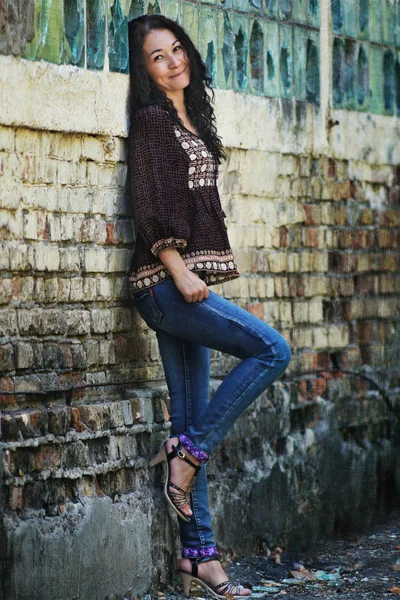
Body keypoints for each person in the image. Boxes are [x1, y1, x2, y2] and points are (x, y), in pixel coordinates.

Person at [127, 14, 291, 599]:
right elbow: (148, 204)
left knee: (190, 417)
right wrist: (179, 270)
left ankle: (201, 560)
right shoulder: (151, 121)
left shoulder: (190, 115)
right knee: (274, 349)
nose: (174, 61)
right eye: (157, 57)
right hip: (166, 288)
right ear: (143, 72)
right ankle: (188, 453)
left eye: (177, 50)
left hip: (179, 288)